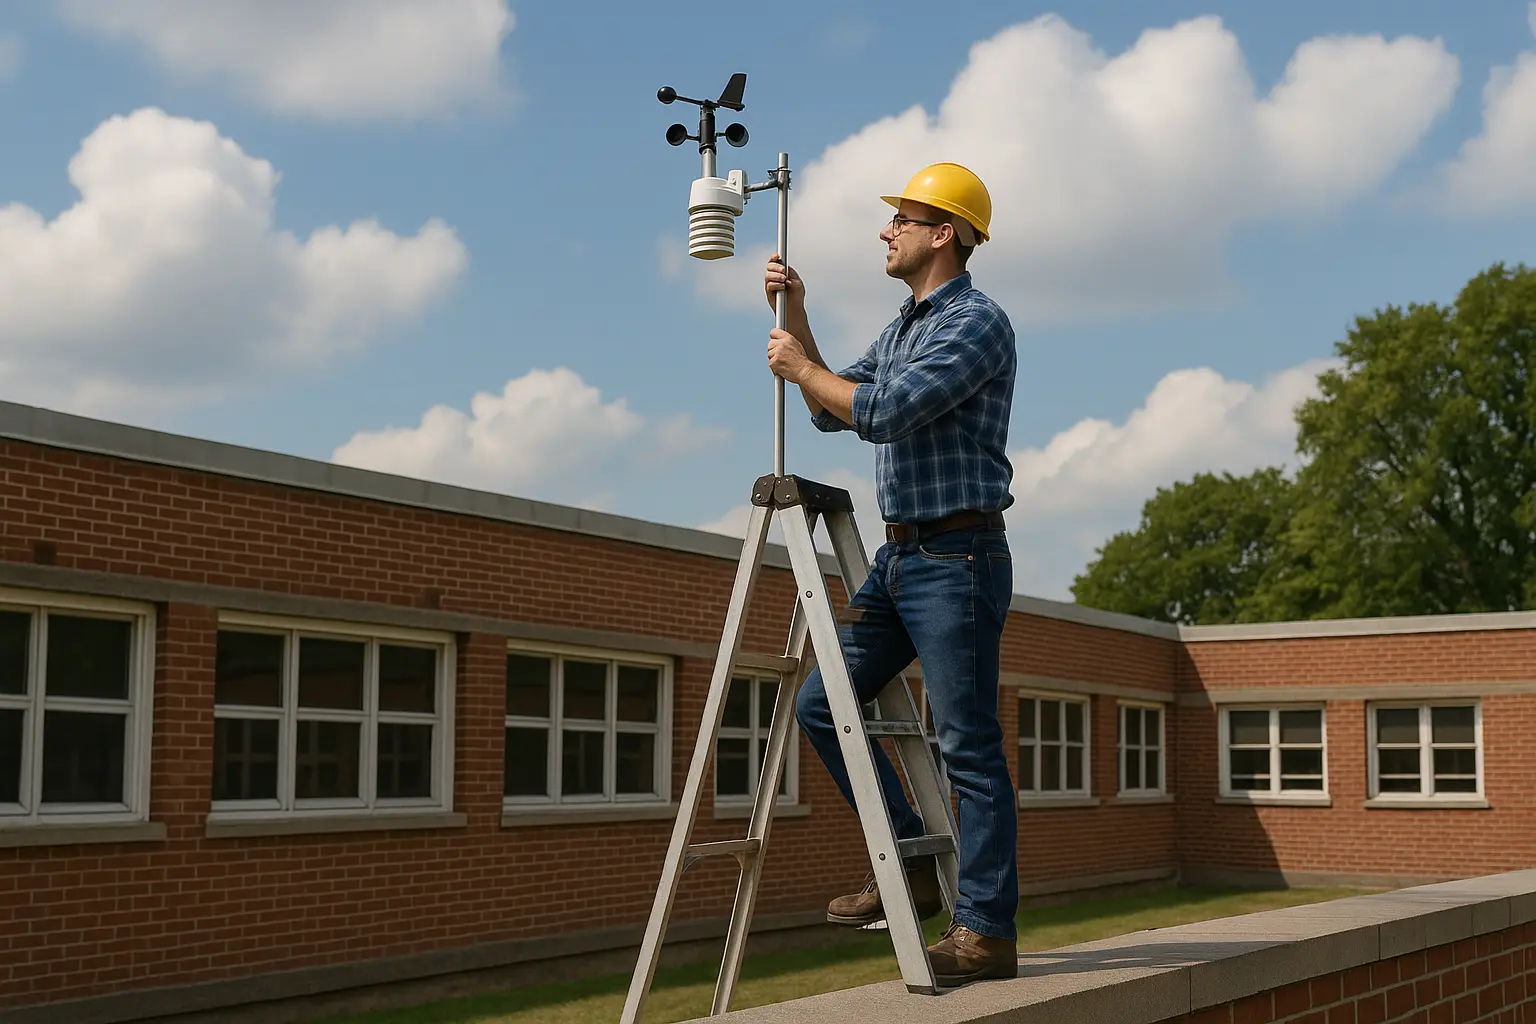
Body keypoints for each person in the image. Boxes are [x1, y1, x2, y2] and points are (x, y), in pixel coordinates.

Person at [762, 162, 1019, 987]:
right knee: (818, 703)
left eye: (901, 220)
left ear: (944, 232)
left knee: (967, 745)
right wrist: (799, 321)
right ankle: (906, 856)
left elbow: (883, 413)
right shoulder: (905, 324)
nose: (886, 230)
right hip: (900, 558)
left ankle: (985, 931)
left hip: (958, 558)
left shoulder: (976, 323)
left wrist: (803, 369)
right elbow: (831, 408)